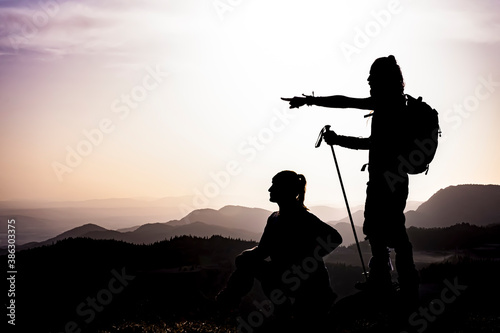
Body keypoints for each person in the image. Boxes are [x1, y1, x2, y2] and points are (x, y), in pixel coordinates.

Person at [281, 55, 420, 308]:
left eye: (372, 76)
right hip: (391, 180)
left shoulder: (387, 102)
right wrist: (339, 140)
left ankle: (392, 285)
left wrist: (310, 101)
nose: (368, 80)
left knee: (388, 233)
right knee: (385, 231)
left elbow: (345, 102)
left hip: (385, 181)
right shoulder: (396, 105)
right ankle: (393, 283)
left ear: (383, 79)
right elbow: (372, 144)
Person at [216, 170, 342, 331]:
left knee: (301, 322)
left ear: (286, 189)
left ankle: (230, 304)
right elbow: (263, 250)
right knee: (247, 261)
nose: (270, 189)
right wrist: (246, 257)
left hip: (309, 284)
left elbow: (335, 238)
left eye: (275, 185)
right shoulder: (275, 218)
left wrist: (305, 261)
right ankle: (230, 300)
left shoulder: (302, 217)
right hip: (286, 276)